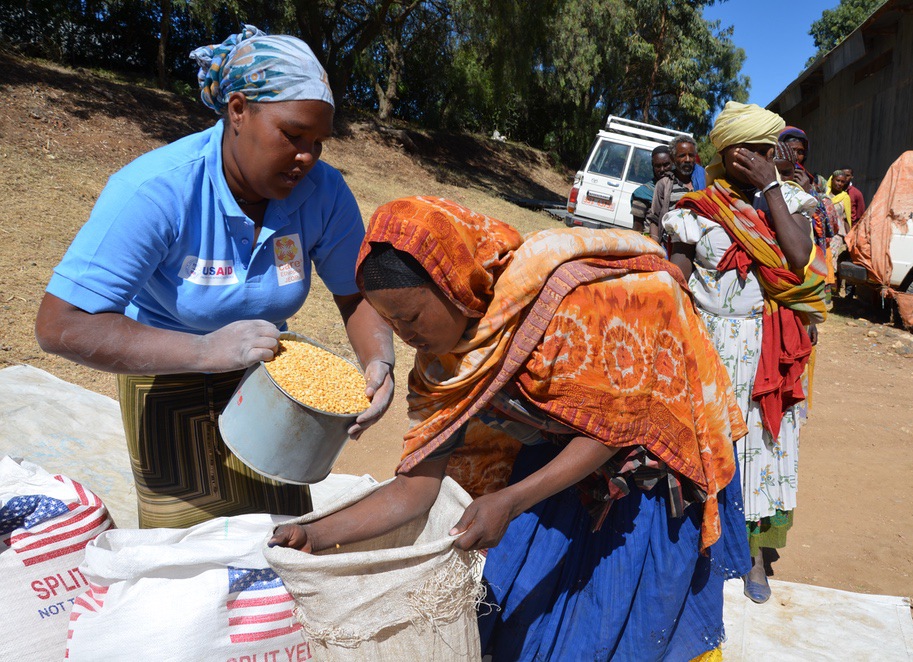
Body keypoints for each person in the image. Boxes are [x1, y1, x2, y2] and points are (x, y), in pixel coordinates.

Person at [270, 196, 751, 660]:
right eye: (391, 322)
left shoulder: (566, 311)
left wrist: (512, 500)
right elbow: (415, 487)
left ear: (455, 283)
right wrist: (317, 535)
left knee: (615, 624)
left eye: (412, 316)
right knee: (521, 614)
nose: (405, 334)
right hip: (562, 463)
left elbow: (611, 428)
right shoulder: (442, 369)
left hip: (648, 470)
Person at [34, 26, 395, 529]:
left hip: (272, 384)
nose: (307, 157)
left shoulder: (325, 194)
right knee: (190, 553)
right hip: (166, 374)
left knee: (277, 541)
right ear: (239, 110)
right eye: (293, 136)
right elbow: (60, 325)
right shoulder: (157, 190)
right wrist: (205, 352)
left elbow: (355, 295)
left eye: (318, 143)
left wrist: (378, 358)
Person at [660, 102, 827, 604]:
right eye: (751, 152)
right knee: (711, 444)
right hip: (710, 345)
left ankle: (754, 555)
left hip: (768, 348)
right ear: (728, 154)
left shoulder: (792, 201)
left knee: (764, 450)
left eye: (766, 151)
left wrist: (771, 186)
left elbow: (800, 259)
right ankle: (704, 545)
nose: (761, 158)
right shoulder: (696, 210)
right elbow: (676, 279)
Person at [778, 126, 840, 306]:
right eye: (791, 150)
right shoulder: (769, 178)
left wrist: (806, 193)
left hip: (808, 246)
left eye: (801, 152)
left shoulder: (815, 181)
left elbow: (825, 223)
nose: (797, 156)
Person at [629, 144, 672, 233]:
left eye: (666, 165)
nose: (662, 169)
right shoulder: (642, 194)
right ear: (653, 166)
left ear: (673, 163)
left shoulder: (678, 190)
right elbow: (637, 229)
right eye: (658, 166)